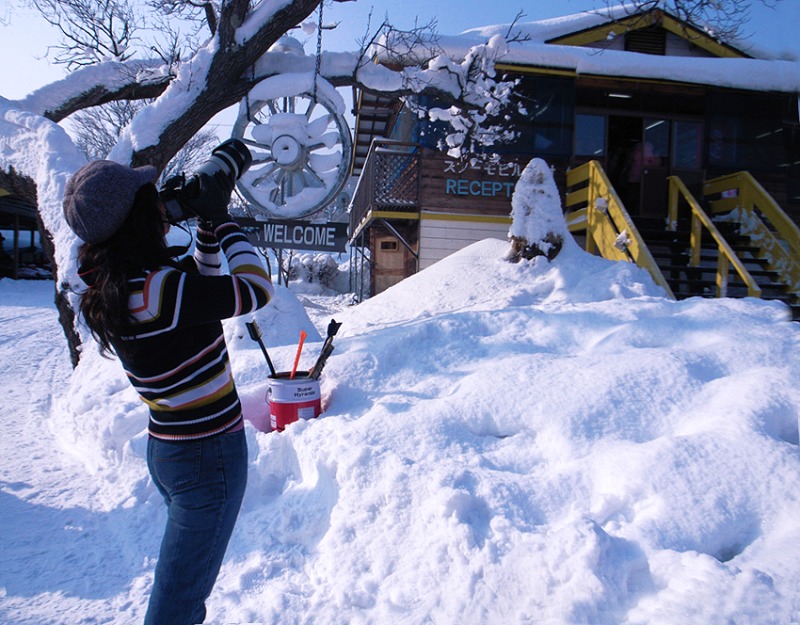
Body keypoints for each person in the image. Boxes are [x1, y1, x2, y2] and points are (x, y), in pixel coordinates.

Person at [62, 158, 274, 624]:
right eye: (150, 197)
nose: (161, 204)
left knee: (181, 591)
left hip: (172, 448)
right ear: (139, 216)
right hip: (207, 456)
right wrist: (221, 218)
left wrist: (203, 229)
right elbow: (256, 290)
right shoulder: (162, 289)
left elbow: (197, 295)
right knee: (178, 604)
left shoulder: (115, 286)